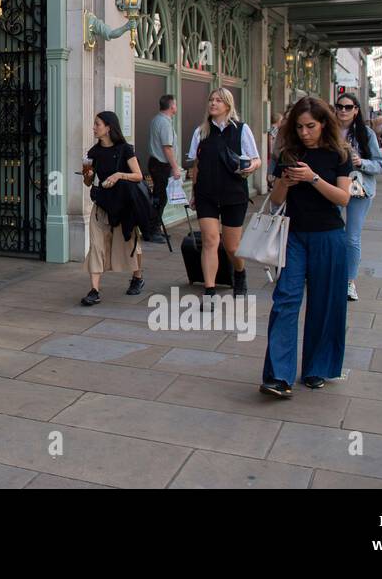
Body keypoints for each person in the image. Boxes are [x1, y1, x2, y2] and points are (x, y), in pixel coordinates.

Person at [259, 96, 352, 399]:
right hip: (294, 235)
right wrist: (286, 181)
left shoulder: (339, 154)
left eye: (310, 126)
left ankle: (316, 368)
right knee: (285, 300)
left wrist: (312, 178)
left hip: (329, 236)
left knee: (325, 305)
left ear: (323, 123)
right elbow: (275, 201)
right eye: (299, 127)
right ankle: (278, 375)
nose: (304, 132)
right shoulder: (289, 152)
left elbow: (343, 198)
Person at [187, 88, 261, 305]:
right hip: (206, 194)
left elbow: (256, 159)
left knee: (232, 246)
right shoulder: (201, 132)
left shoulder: (241, 130)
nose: (213, 103)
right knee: (210, 240)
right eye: (211, 99)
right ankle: (209, 291)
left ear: (228, 105)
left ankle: (239, 273)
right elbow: (196, 166)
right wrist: (193, 192)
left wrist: (250, 168)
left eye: (218, 100)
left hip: (234, 194)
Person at [81, 111, 146, 305]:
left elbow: (138, 175)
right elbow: (87, 182)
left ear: (109, 127)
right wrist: (88, 175)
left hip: (124, 205)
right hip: (102, 205)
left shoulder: (125, 149)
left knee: (130, 241)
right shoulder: (92, 152)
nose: (94, 127)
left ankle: (137, 277)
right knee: (96, 245)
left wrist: (118, 175)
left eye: (97, 124)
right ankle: (94, 290)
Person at [335, 92, 382, 302]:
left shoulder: (367, 134)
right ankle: (329, 275)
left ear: (356, 110)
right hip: (334, 187)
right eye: (340, 106)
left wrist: (361, 162)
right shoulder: (328, 131)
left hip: (359, 189)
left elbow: (380, 164)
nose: (343, 110)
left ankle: (348, 282)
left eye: (348, 107)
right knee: (331, 234)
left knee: (352, 237)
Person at [145, 95, 182, 243]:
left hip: (156, 163)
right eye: (176, 104)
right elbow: (167, 148)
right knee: (160, 198)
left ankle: (156, 228)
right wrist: (175, 168)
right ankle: (152, 231)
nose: (176, 107)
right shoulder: (164, 123)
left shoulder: (157, 119)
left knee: (159, 197)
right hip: (161, 165)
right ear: (172, 106)